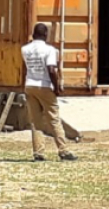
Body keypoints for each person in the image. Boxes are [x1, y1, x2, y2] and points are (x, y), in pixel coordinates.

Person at [21, 23, 77, 162]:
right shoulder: (49, 50)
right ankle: (63, 150)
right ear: (45, 35)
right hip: (44, 85)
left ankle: (38, 153)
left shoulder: (25, 49)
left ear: (33, 34)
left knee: (36, 121)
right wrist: (56, 87)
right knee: (54, 119)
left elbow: (25, 68)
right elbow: (51, 69)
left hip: (30, 85)